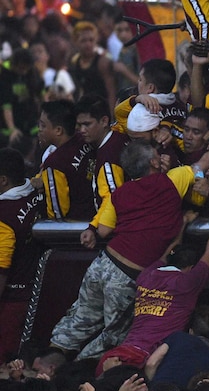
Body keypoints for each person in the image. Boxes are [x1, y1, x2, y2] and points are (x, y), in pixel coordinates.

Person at [52, 141, 200, 359]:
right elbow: (204, 163)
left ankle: (46, 366)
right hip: (125, 278)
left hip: (102, 265)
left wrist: (92, 228)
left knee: (77, 321)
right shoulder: (171, 180)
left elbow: (103, 229)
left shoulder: (119, 193)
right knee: (113, 340)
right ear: (153, 162)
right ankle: (77, 371)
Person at [96, 210, 209, 376]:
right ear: (190, 268)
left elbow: (168, 253)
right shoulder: (187, 282)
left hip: (116, 355)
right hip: (145, 362)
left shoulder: (146, 275)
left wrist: (183, 221)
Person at [0, 148, 44, 361]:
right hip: (39, 293)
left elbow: (1, 269)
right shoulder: (37, 192)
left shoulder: (3, 216)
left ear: (3, 180)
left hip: (12, 302)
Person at [75, 95, 128, 234]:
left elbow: (113, 199)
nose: (82, 130)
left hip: (117, 232)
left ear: (104, 121)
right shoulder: (119, 137)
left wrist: (93, 226)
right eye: (79, 125)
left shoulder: (108, 156)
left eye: (87, 124)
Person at [38, 100, 95, 221]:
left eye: (43, 125)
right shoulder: (83, 139)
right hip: (97, 216)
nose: (39, 130)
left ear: (58, 130)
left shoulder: (54, 163)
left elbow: (57, 211)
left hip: (77, 228)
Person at [66, 21, 115, 109]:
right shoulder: (75, 62)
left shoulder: (102, 62)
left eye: (91, 40)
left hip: (101, 109)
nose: (88, 44)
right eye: (83, 41)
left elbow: (111, 92)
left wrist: (112, 116)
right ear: (75, 41)